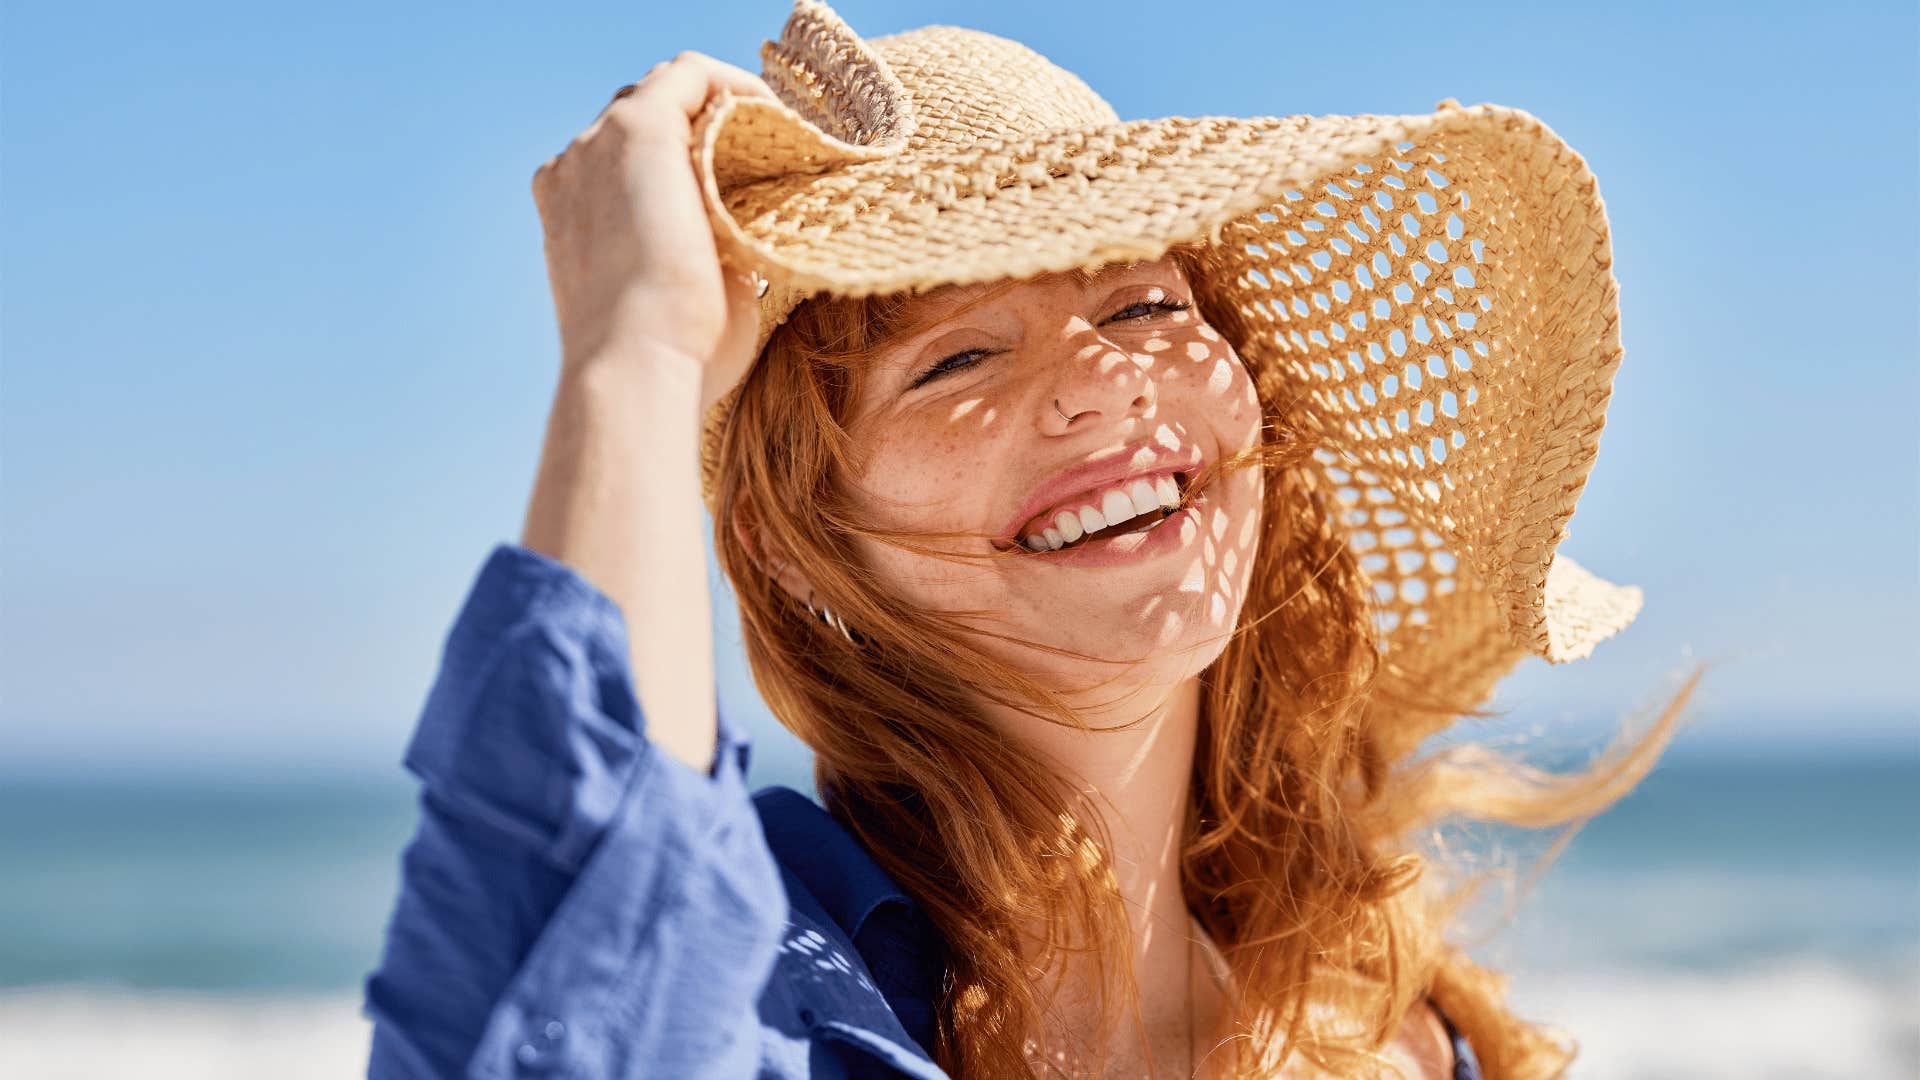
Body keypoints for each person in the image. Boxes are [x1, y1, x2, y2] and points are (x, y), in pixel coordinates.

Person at [364, 3, 1706, 1077]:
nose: (1099, 381)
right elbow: (559, 1009)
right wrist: (636, 355)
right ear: (787, 540)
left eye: (1142, 308)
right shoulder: (776, 993)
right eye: (954, 360)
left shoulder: (1412, 1041)